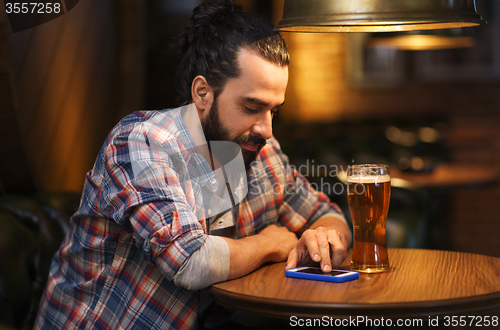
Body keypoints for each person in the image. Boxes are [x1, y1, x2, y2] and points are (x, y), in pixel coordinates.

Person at [34, 0, 352, 329]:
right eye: (251, 106)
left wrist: (324, 239)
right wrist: (273, 242)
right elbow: (190, 261)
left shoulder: (261, 152)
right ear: (202, 93)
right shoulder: (143, 142)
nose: (267, 129)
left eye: (274, 110)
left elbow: (325, 214)